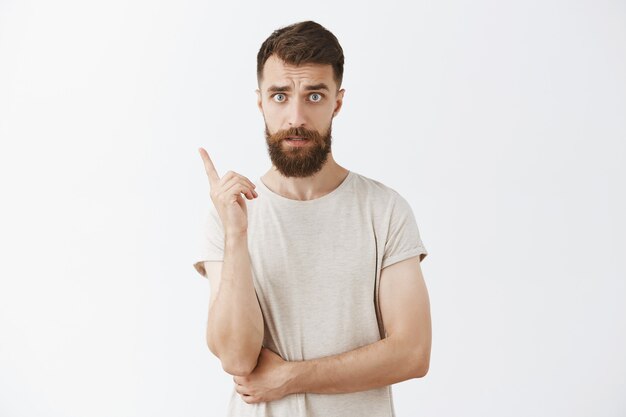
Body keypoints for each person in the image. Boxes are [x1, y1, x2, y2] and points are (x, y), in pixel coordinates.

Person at [193, 20, 432, 417]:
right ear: (261, 102)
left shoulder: (385, 210)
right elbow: (237, 358)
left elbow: (413, 352)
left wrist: (290, 377)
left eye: (314, 96)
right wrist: (237, 237)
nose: (296, 117)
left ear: (337, 102)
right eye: (280, 96)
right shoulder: (229, 214)